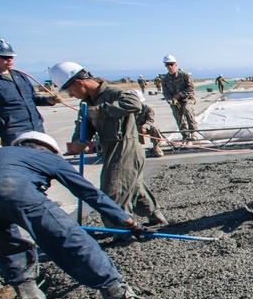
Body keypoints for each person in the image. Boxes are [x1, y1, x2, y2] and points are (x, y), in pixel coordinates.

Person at [0, 132, 146, 299]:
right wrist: (126, 220)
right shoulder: (46, 157)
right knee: (71, 240)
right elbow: (88, 192)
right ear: (50, 150)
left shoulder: (4, 153)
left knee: (8, 249)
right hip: (14, 190)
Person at [50, 62, 168, 229]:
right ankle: (156, 218)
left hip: (125, 148)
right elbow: (84, 124)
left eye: (69, 90)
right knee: (132, 186)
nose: (70, 95)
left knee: (113, 190)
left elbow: (134, 104)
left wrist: (101, 110)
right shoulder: (86, 102)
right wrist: (79, 141)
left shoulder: (113, 93)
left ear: (79, 82)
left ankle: (121, 231)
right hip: (111, 148)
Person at [0, 37, 63, 147]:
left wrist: (49, 100)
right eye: (4, 57)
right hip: (12, 132)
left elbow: (32, 99)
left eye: (11, 57)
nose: (9, 60)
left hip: (36, 128)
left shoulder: (19, 76)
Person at [159, 55, 199, 142]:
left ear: (175, 64)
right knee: (178, 116)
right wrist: (171, 100)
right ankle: (185, 135)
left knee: (187, 110)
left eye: (171, 64)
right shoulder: (165, 79)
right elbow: (166, 93)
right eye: (167, 65)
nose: (169, 66)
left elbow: (191, 89)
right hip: (175, 101)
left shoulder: (185, 76)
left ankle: (193, 132)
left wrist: (180, 94)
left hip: (187, 98)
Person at [131, 90, 164, 157]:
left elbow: (151, 120)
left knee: (155, 128)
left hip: (143, 127)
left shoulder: (147, 108)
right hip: (130, 128)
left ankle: (156, 147)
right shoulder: (126, 108)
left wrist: (144, 126)